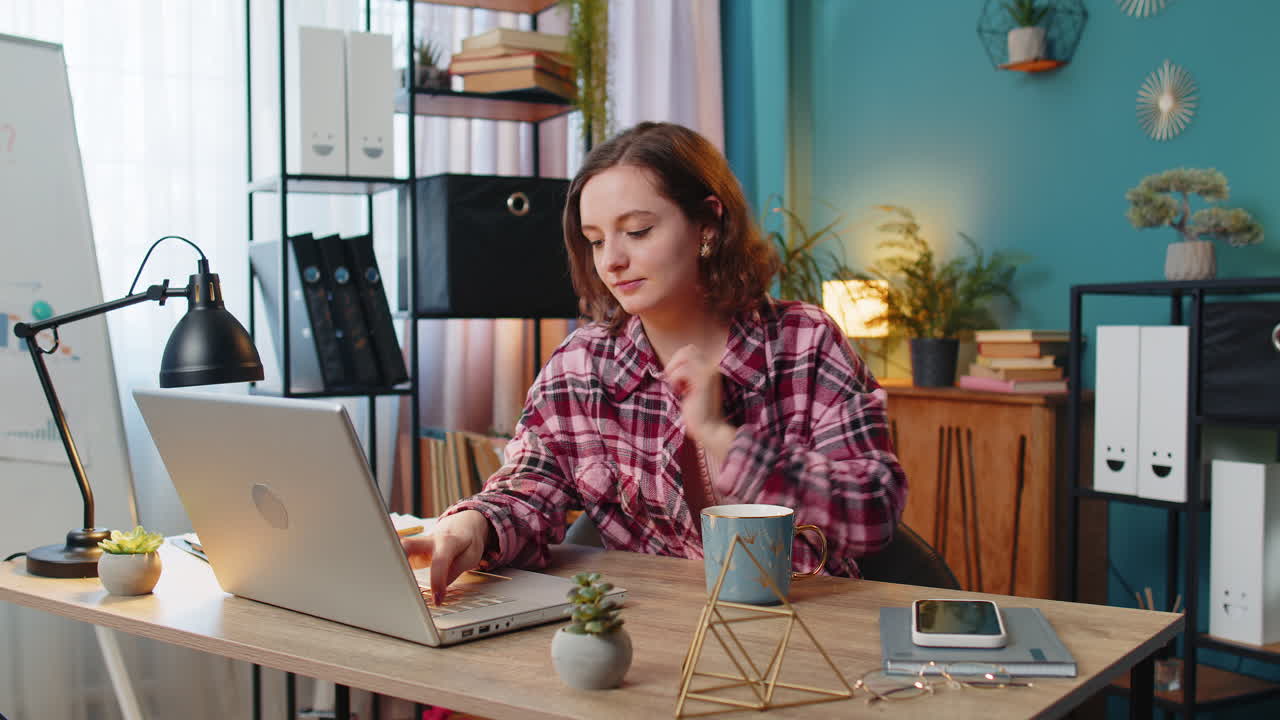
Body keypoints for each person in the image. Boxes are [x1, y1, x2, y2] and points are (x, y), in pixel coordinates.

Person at [404, 121, 907, 604]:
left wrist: (720, 436)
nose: (611, 261)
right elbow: (528, 486)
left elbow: (873, 508)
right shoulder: (582, 366)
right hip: (654, 639)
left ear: (707, 223)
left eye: (638, 231)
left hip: (808, 633)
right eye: (596, 240)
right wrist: (474, 525)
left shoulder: (804, 343)